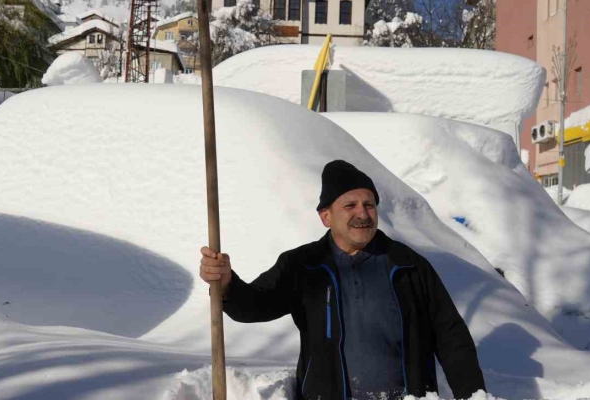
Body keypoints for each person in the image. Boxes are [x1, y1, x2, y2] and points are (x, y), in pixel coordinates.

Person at [200, 160, 485, 400]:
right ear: (326, 216)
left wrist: (473, 395)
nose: (363, 213)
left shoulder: (408, 266)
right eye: (350, 205)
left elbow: (451, 336)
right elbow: (255, 305)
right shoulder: (304, 266)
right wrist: (227, 285)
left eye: (369, 205)